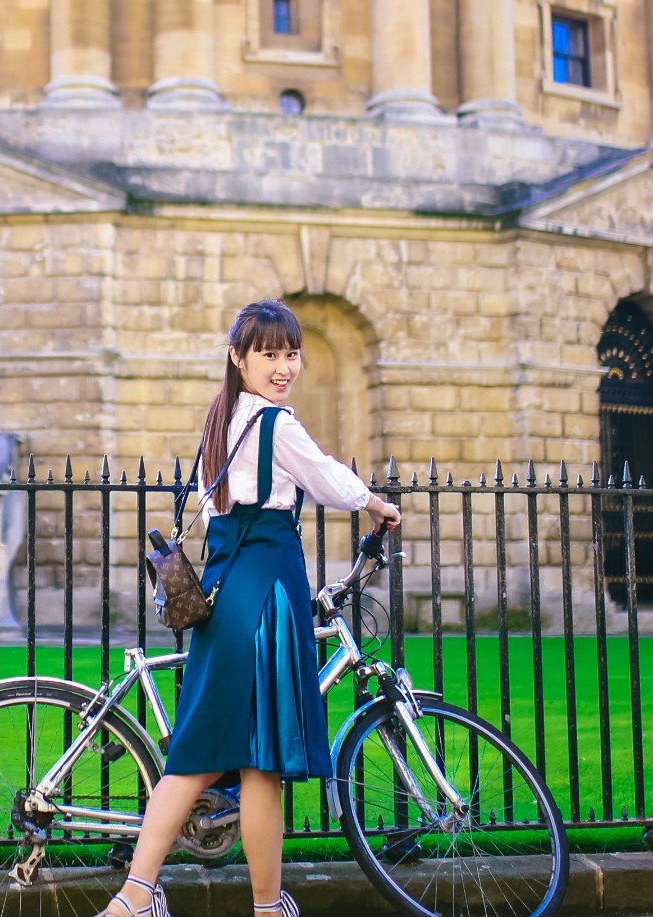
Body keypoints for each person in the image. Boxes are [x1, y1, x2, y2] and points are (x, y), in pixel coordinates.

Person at [105, 299, 400, 917]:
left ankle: (137, 895)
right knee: (261, 763)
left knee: (196, 755)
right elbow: (325, 479)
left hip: (225, 593)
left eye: (291, 353)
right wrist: (376, 503)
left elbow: (215, 515)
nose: (283, 365)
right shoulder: (273, 423)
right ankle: (266, 907)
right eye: (269, 353)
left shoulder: (221, 420)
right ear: (238, 358)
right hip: (267, 595)